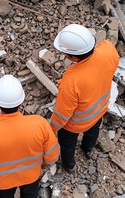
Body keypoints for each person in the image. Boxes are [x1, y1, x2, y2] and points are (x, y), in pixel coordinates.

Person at [51, 24, 119, 174]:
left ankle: (70, 166)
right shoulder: (107, 48)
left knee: (67, 143)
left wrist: (51, 129)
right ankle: (88, 149)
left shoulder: (72, 80)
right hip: (99, 110)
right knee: (93, 131)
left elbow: (62, 115)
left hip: (76, 123)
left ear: (74, 57)